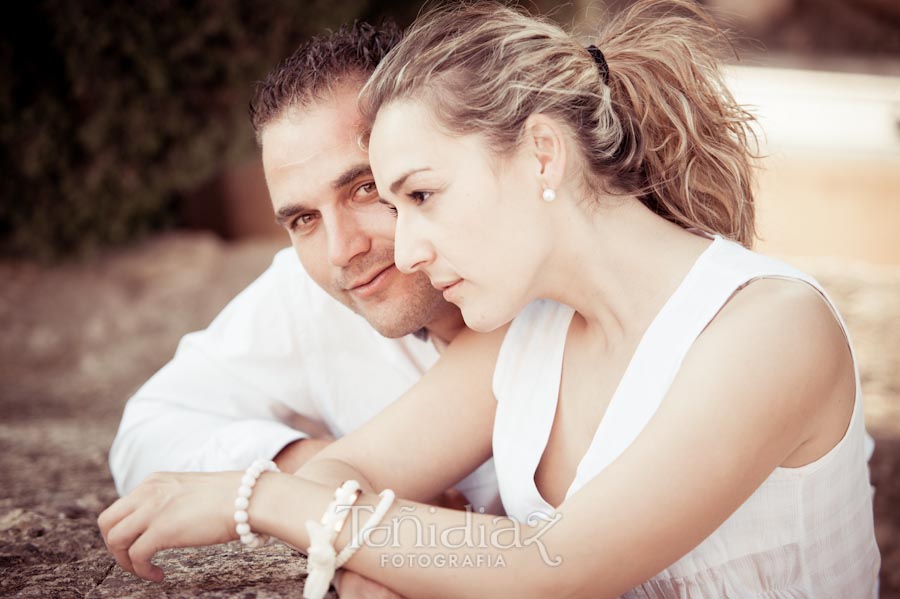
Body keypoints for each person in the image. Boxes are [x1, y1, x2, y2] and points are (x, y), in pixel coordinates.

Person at [99, 2, 881, 598]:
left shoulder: (770, 329)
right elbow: (351, 467)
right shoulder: (528, 330)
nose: (404, 248)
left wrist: (261, 497)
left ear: (543, 151)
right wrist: (364, 561)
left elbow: (551, 565)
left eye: (422, 194)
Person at [107, 21, 500, 515]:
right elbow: (145, 435)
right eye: (304, 219)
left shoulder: (555, 301)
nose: (341, 250)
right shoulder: (307, 292)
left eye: (364, 188)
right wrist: (308, 464)